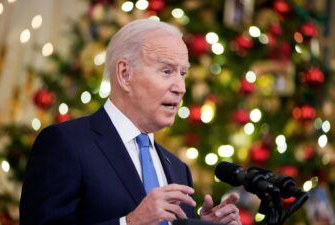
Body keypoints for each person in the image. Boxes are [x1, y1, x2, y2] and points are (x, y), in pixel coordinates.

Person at [20, 19, 242, 225]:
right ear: (125, 74)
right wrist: (130, 222)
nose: (180, 87)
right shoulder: (66, 143)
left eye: (183, 73)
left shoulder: (178, 169)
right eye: (166, 71)